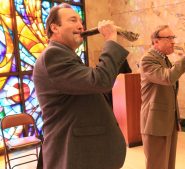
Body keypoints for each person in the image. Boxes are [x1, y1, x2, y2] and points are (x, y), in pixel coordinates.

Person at [33, 3, 128, 169]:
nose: (80, 25)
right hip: (75, 153)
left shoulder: (66, 55)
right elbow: (100, 81)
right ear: (55, 28)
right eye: (72, 20)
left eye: (80, 21)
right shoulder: (53, 55)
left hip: (85, 151)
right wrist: (111, 40)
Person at [139, 25, 185, 169]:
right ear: (156, 41)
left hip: (167, 120)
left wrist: (176, 119)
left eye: (173, 38)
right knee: (157, 164)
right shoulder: (148, 59)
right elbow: (167, 77)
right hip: (155, 122)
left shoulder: (164, 59)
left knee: (168, 164)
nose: (173, 42)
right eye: (169, 38)